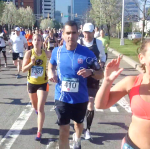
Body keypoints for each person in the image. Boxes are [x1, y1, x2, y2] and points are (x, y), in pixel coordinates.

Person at [48, 21, 104, 149]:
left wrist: (90, 72)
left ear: (78, 34)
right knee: (63, 130)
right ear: (62, 34)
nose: (70, 36)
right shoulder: (57, 52)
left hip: (80, 98)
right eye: (67, 33)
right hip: (62, 97)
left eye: (73, 33)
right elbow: (51, 65)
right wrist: (50, 72)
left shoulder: (87, 54)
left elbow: (101, 74)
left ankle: (77, 140)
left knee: (78, 124)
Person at [78, 23, 106, 140]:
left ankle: (87, 130)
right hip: (80, 76)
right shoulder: (79, 42)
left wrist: (102, 63)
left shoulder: (98, 43)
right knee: (79, 103)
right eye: (85, 32)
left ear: (93, 32)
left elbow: (103, 56)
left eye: (89, 32)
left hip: (93, 75)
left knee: (90, 101)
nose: (87, 35)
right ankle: (78, 126)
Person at [22, 34, 51, 141]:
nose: (37, 41)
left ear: (42, 41)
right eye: (35, 40)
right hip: (31, 83)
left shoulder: (46, 53)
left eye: (39, 40)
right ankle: (37, 111)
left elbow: (55, 61)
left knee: (40, 108)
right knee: (35, 107)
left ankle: (39, 131)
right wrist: (31, 63)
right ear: (32, 42)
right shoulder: (29, 53)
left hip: (43, 83)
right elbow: (23, 69)